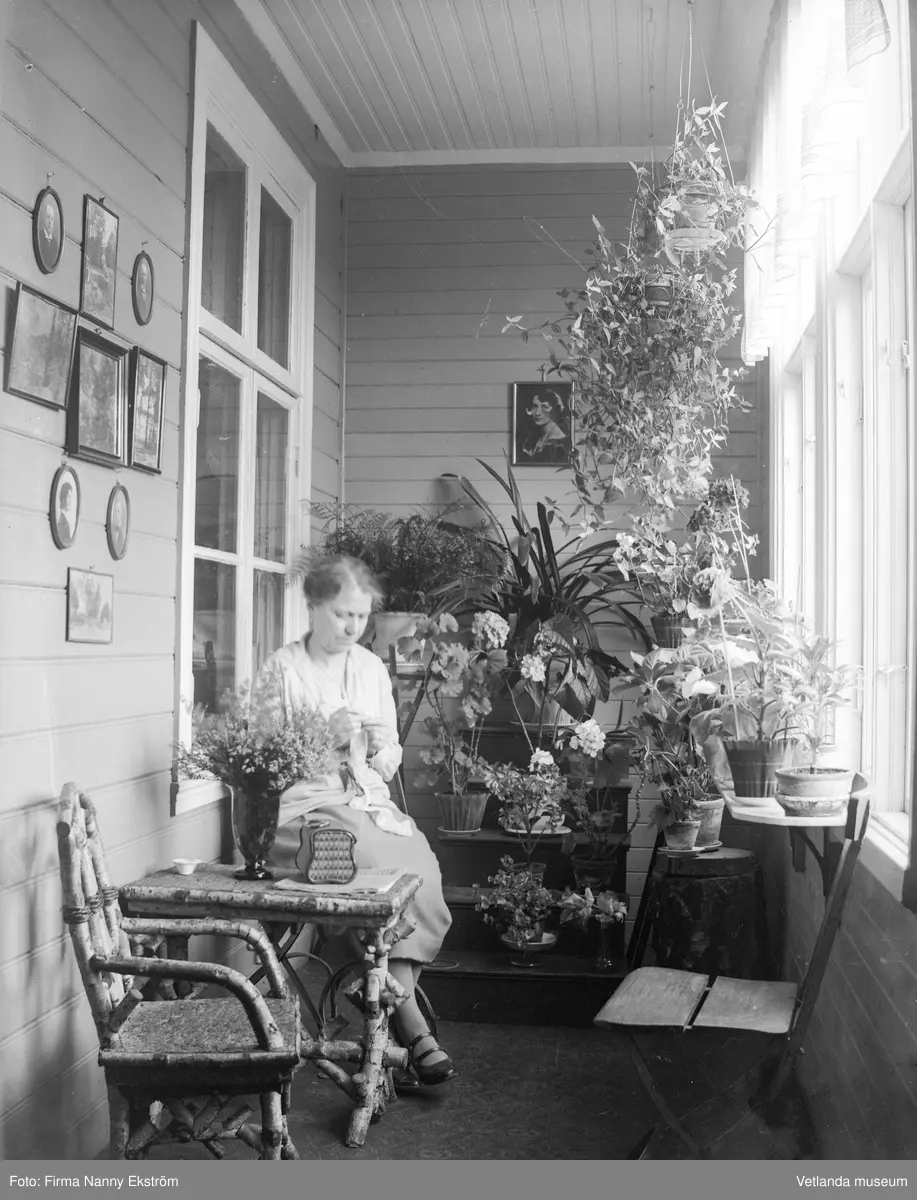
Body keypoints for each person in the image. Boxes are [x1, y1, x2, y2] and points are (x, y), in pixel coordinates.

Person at [250, 555, 456, 1089]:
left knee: (420, 869)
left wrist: (384, 747)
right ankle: (411, 1028)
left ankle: (382, 1007)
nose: (352, 627)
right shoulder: (282, 669)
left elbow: (385, 765)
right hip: (303, 813)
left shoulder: (369, 668)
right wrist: (322, 735)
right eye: (342, 614)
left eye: (361, 616)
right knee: (371, 868)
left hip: (365, 803)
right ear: (313, 606)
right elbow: (261, 767)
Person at [520, 389, 570, 463]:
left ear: (554, 409)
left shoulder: (559, 441)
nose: (537, 413)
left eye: (544, 406)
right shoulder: (536, 437)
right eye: (534, 407)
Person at [56, 478, 77, 545]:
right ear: (63, 498)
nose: (70, 501)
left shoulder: (65, 521)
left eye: (71, 497)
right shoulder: (61, 520)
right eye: (68, 497)